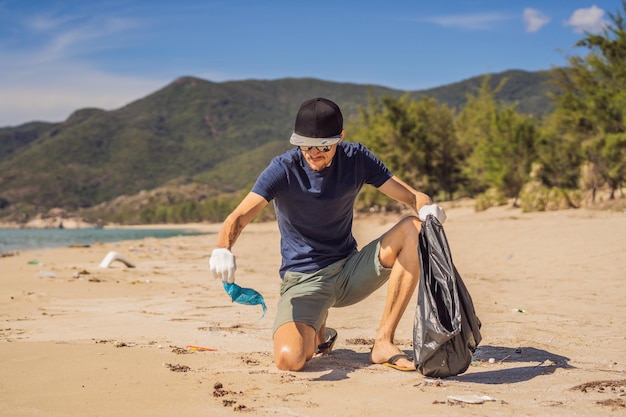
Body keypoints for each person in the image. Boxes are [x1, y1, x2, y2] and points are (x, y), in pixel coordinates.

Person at [210, 97, 446, 372]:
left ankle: (383, 342)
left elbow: (412, 196)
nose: (313, 153)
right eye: (305, 144)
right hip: (304, 281)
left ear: (340, 138)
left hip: (349, 271)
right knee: (290, 360)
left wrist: (427, 208)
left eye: (323, 145)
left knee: (414, 229)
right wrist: (222, 247)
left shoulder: (356, 158)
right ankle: (320, 331)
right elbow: (238, 216)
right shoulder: (283, 169)